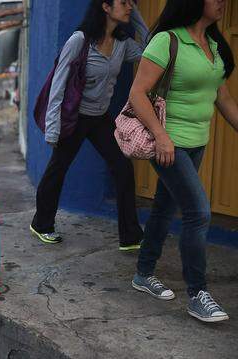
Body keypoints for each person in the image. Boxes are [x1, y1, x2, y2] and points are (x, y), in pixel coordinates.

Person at [129, 0, 237, 323]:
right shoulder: (167, 40)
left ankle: (143, 273)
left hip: (197, 145)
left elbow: (224, 98)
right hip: (168, 146)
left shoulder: (213, 46)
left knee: (165, 206)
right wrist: (161, 135)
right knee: (199, 212)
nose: (223, 2)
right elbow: (137, 93)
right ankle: (197, 294)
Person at [30, 0, 147, 250]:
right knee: (58, 170)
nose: (129, 6)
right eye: (124, 3)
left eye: (131, 3)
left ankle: (130, 236)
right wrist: (53, 128)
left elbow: (150, 53)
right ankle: (42, 224)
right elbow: (58, 84)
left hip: (100, 118)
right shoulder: (79, 40)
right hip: (75, 117)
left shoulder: (123, 44)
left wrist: (136, 14)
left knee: (123, 168)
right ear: (105, 7)